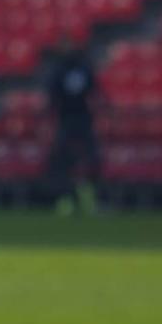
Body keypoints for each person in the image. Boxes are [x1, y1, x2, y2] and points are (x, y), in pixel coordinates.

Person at [45, 34, 101, 216]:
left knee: (92, 160)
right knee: (62, 162)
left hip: (84, 120)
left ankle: (89, 199)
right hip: (64, 120)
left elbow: (96, 91)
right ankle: (65, 200)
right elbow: (51, 99)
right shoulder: (57, 71)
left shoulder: (84, 68)